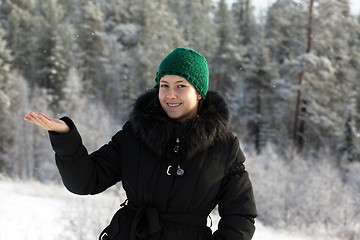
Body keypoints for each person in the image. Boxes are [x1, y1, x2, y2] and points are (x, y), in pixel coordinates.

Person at [24, 47, 257, 240]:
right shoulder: (135, 133)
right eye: (164, 85)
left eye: (181, 86)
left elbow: (240, 217)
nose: (170, 94)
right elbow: (85, 182)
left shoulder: (225, 147)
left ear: (199, 93)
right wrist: (65, 137)